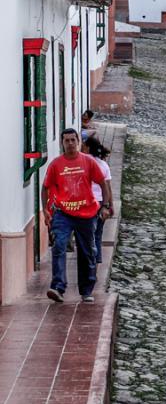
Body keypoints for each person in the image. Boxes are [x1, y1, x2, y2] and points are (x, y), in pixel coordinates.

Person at [42, 128, 111, 303]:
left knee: (87, 252)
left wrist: (106, 206)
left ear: (78, 141)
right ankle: (58, 287)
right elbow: (45, 187)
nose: (70, 144)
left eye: (73, 140)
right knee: (59, 246)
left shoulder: (88, 162)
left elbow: (103, 183)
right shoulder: (56, 165)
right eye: (67, 141)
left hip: (87, 214)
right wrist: (45, 211)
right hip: (63, 214)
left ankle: (86, 290)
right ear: (62, 143)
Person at [82, 136, 113, 264]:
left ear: (88, 147)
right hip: (101, 202)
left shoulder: (82, 161)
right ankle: (96, 259)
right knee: (98, 233)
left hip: (87, 202)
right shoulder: (104, 165)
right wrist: (110, 206)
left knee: (87, 234)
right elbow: (108, 188)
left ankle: (88, 260)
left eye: (83, 145)